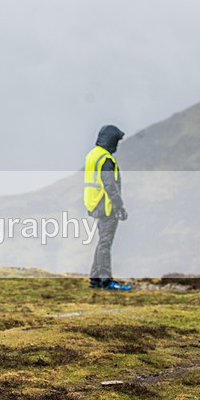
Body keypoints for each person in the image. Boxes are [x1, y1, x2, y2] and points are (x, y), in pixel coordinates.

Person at [84, 124, 131, 290]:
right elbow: (110, 185)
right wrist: (120, 207)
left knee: (102, 242)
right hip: (106, 206)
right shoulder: (106, 159)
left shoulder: (93, 155)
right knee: (105, 243)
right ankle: (106, 280)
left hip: (95, 203)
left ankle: (96, 278)